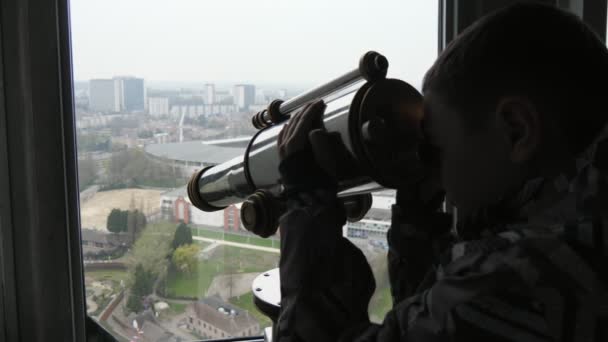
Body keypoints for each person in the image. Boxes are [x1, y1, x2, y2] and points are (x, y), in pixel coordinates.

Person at [274, 3, 608, 342]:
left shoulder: (516, 276)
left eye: (436, 146)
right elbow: (433, 324)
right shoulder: (577, 233)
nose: (432, 166)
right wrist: (417, 215)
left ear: (515, 130)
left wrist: (307, 205)